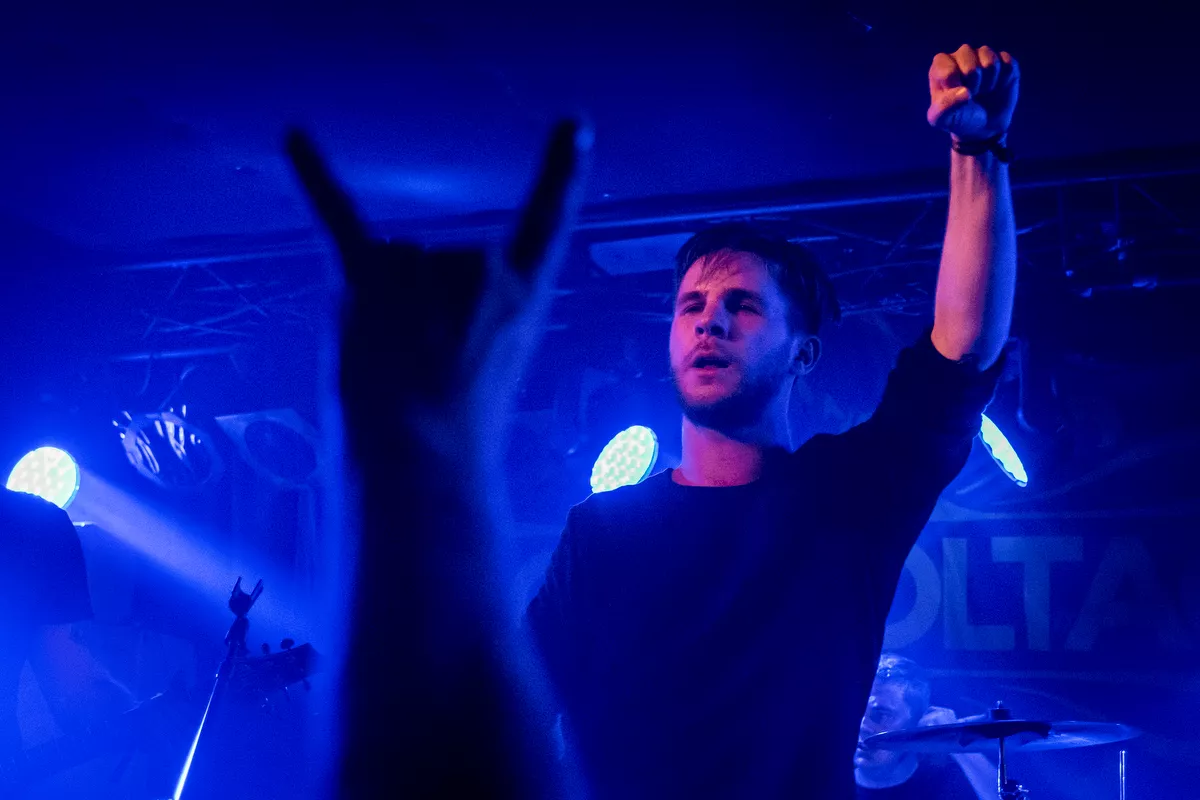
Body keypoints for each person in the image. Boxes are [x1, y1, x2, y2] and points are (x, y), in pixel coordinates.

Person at [526, 43, 1019, 799]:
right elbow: (510, 707)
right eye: (691, 306)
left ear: (803, 353)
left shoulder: (851, 495)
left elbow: (962, 352)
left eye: (743, 306)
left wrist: (977, 151)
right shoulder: (601, 531)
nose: (709, 322)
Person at [0, 487, 135, 796]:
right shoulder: (36, 524)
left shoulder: (37, 525)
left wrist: (148, 717)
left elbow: (76, 692)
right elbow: (76, 695)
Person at [855, 654, 994, 799]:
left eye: (882, 715)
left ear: (917, 723)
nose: (862, 726)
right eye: (856, 711)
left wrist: (956, 738)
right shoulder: (837, 780)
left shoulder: (947, 782)